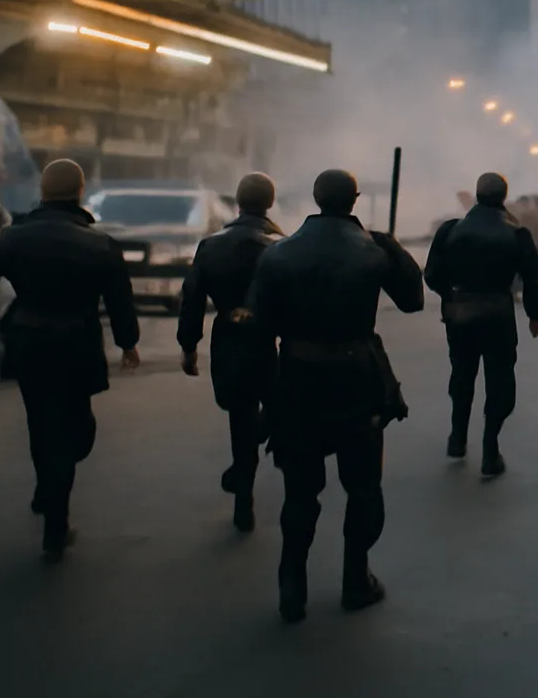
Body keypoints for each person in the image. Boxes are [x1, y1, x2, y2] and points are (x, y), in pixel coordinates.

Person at [248, 169, 423, 623]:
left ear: (314, 197)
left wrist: (268, 399)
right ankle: (354, 580)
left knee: (300, 493)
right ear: (355, 200)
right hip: (357, 380)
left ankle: (292, 586)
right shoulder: (372, 249)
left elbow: (259, 332)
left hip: (298, 381)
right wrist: (390, 246)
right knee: (363, 487)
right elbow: (413, 299)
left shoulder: (278, 254)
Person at [0, 159, 140, 558]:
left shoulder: (10, 240)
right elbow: (120, 303)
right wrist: (128, 344)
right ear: (80, 193)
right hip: (75, 342)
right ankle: (56, 524)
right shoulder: (100, 244)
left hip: (26, 340)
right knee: (74, 428)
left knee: (39, 419)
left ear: (42, 192)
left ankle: (47, 490)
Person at [177, 173, 285, 532]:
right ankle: (256, 448)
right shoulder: (282, 244)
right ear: (269, 203)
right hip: (269, 340)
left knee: (239, 414)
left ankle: (244, 494)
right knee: (269, 406)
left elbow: (191, 299)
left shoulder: (211, 245)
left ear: (237, 202)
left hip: (228, 337)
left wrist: (189, 346)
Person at [425, 173, 538, 476]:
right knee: (499, 380)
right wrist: (535, 314)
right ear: (503, 197)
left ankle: (457, 437)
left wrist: (450, 296)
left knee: (462, 373)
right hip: (497, 314)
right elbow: (532, 276)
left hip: (460, 314)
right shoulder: (516, 233)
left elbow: (431, 275)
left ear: (477, 196)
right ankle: (490, 449)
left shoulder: (450, 230)